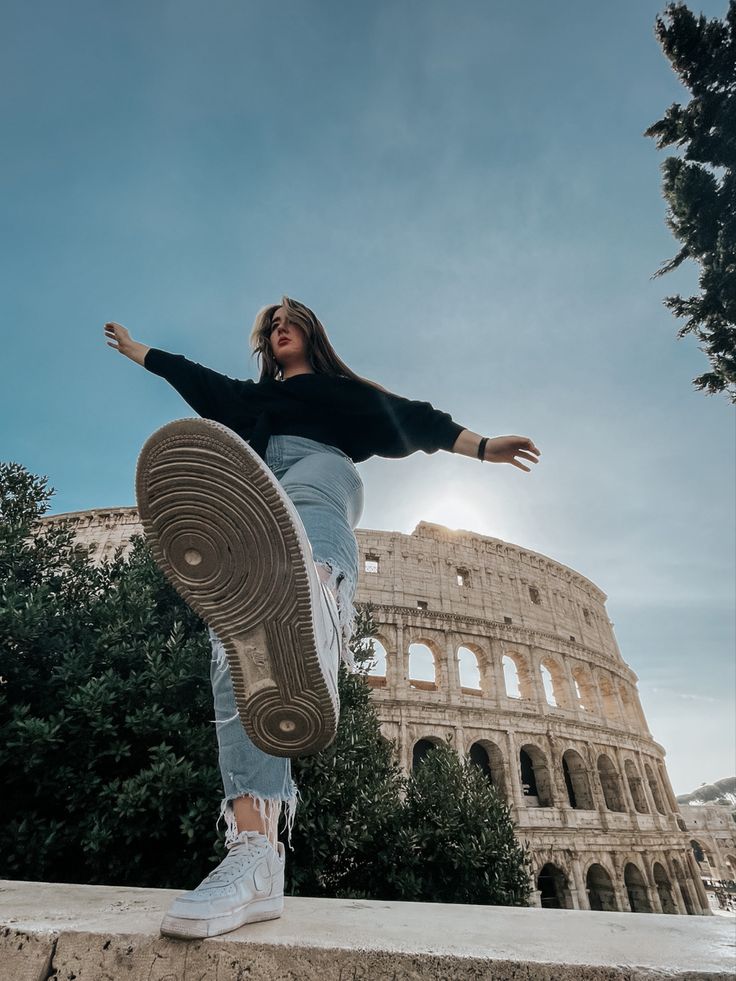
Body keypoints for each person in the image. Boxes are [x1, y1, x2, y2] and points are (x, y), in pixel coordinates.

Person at [104, 296, 540, 938]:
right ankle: (254, 856)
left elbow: (413, 419)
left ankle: (322, 605)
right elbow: (189, 374)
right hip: (250, 478)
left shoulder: (342, 394)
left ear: (310, 333)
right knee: (238, 653)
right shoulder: (245, 401)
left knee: (311, 519)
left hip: (319, 465)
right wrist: (138, 349)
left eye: (290, 322)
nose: (279, 329)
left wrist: (479, 448)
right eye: (271, 325)